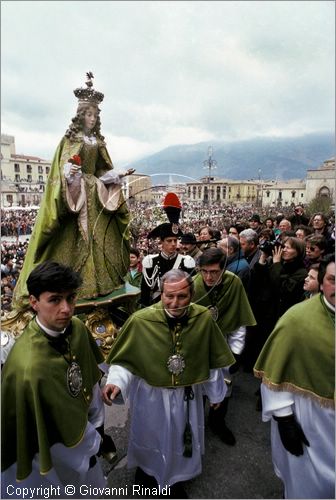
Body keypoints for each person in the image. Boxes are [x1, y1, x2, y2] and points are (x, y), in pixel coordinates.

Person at [102, 269, 235, 497]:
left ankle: (174, 478)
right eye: (169, 296)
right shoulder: (141, 321)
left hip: (187, 394)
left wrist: (216, 394)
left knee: (181, 438)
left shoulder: (202, 318)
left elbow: (211, 361)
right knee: (150, 434)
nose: (175, 303)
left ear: (191, 295)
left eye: (182, 296)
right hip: (151, 395)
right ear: (160, 294)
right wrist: (116, 382)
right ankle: (147, 472)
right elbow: (125, 361)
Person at [12, 73, 131, 312]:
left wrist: (114, 175)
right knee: (74, 240)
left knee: (101, 239)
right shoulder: (70, 140)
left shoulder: (98, 143)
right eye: (88, 114)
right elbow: (63, 171)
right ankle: (76, 287)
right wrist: (71, 175)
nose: (92, 118)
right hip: (77, 195)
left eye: (95, 115)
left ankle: (103, 282)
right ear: (80, 115)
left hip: (95, 196)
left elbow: (101, 171)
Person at [1, 261, 107, 498]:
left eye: (71, 298)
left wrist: (98, 423)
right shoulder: (27, 366)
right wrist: (89, 445)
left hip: (87, 435)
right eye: (55, 300)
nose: (66, 309)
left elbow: (89, 380)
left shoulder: (77, 328)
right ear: (34, 302)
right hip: (54, 454)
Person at [254, 254, 335, 499]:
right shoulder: (296, 320)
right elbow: (274, 373)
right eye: (333, 280)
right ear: (322, 283)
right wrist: (285, 420)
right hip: (313, 421)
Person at [192, 248, 256, 445]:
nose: (209, 276)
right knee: (196, 389)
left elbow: (239, 321)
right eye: (205, 271)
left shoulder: (233, 282)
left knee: (224, 387)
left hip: (225, 345)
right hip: (198, 347)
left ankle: (218, 423)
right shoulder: (192, 285)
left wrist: (235, 353)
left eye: (214, 272)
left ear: (223, 269)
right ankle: (195, 425)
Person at [141, 193, 195, 307]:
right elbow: (145, 292)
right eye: (169, 241)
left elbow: (191, 292)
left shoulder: (186, 262)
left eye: (175, 240)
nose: (173, 244)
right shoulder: (151, 262)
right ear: (161, 241)